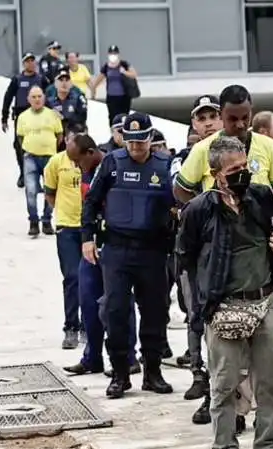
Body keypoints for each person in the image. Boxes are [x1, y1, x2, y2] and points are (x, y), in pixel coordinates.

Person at [176, 136, 273, 449]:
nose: (243, 175)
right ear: (215, 174)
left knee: (272, 381)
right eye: (234, 171)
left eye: (245, 167)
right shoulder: (199, 210)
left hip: (266, 300)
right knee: (224, 385)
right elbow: (185, 259)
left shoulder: (261, 198)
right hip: (223, 307)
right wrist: (200, 307)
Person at [82, 113, 174, 399]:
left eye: (141, 140)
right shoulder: (112, 162)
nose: (136, 147)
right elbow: (92, 202)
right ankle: (120, 373)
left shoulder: (166, 165)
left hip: (154, 250)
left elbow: (180, 203)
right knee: (116, 311)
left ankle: (153, 372)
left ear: (150, 137)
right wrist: (87, 238)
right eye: (130, 141)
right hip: (118, 249)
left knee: (156, 312)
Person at [63, 134, 139, 377]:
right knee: (88, 299)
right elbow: (89, 205)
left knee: (117, 303)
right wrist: (86, 237)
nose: (76, 167)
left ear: (90, 153)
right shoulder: (87, 171)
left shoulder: (114, 166)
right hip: (92, 246)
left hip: (116, 245)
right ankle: (92, 357)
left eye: (78, 161)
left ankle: (128, 358)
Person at [173, 95, 222, 409]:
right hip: (198, 248)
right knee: (197, 316)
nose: (207, 123)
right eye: (201, 118)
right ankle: (200, 376)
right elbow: (179, 196)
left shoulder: (235, 150)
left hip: (234, 246)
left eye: (211, 117)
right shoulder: (185, 158)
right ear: (193, 123)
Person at [174, 85, 273, 203]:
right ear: (221, 115)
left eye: (245, 117)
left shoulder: (269, 146)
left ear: (251, 112)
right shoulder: (202, 149)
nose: (240, 124)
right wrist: (203, 213)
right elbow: (180, 190)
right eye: (233, 119)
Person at [43, 128, 85, 350]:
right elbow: (50, 192)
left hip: (89, 228)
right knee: (71, 277)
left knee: (91, 279)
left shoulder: (91, 161)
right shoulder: (56, 163)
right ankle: (71, 327)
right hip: (67, 229)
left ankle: (89, 325)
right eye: (71, 141)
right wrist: (61, 213)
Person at [17, 86, 62, 237]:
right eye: (33, 97)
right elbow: (20, 137)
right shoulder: (22, 117)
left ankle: (47, 221)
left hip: (50, 157)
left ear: (44, 98)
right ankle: (33, 222)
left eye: (39, 96)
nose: (37, 99)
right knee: (30, 190)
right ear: (28, 99)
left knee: (50, 189)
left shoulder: (53, 115)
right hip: (30, 157)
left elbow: (59, 135)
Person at [1, 51, 49, 188]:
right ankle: (23, 173)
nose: (31, 63)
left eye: (33, 60)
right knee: (19, 145)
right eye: (28, 61)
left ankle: (42, 176)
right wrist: (4, 118)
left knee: (40, 145)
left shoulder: (41, 79)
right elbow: (8, 98)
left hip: (39, 115)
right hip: (21, 116)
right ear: (24, 64)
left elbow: (50, 96)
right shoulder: (17, 80)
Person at [89, 45, 138, 126]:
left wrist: (124, 72)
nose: (113, 56)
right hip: (111, 97)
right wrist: (93, 91)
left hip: (124, 97)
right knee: (113, 117)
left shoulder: (124, 64)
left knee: (124, 117)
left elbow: (134, 74)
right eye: (111, 54)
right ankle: (114, 134)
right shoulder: (106, 67)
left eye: (115, 53)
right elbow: (99, 79)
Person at [46, 68, 88, 135]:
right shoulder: (49, 101)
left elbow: (82, 117)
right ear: (55, 84)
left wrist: (63, 118)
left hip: (74, 132)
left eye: (67, 80)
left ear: (71, 84)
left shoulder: (78, 98)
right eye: (61, 80)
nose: (64, 83)